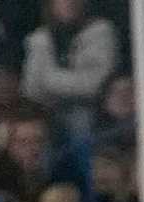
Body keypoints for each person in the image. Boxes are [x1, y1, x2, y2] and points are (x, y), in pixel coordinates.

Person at [21, 0, 118, 141]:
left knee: (80, 118)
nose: (69, 3)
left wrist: (48, 78)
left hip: (93, 112)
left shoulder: (101, 31)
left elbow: (92, 85)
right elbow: (31, 88)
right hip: (47, 112)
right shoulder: (40, 38)